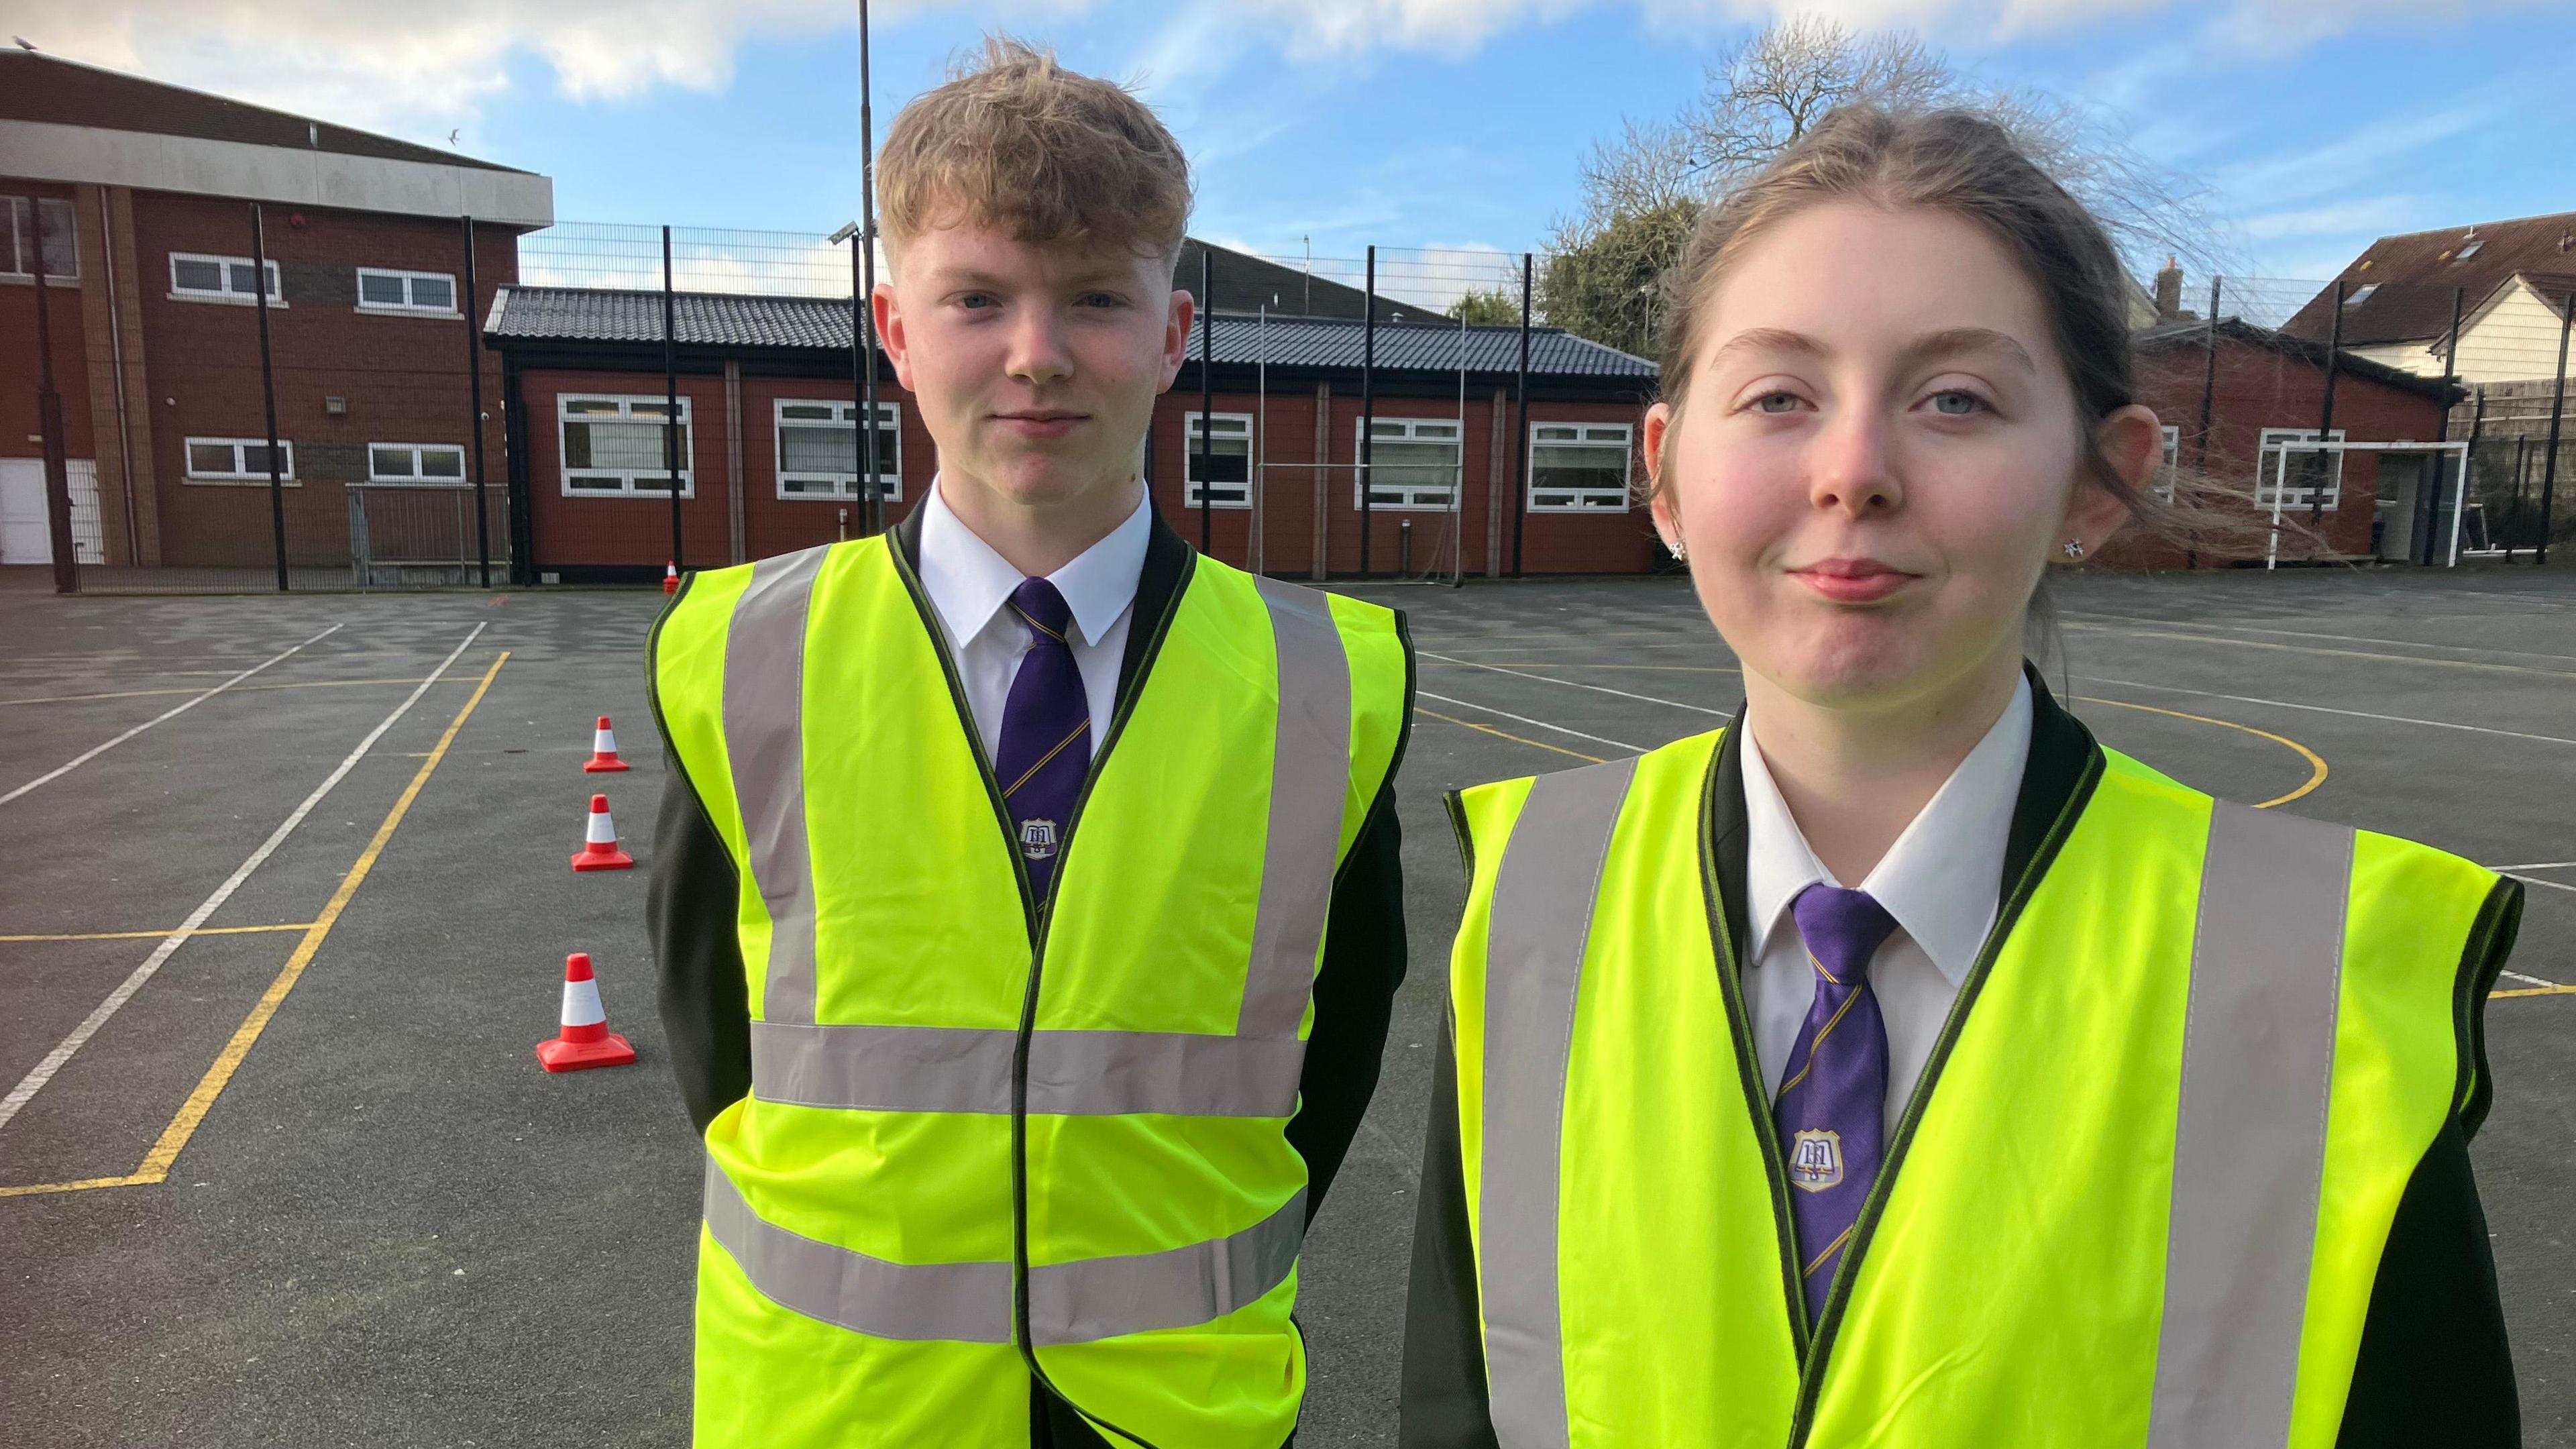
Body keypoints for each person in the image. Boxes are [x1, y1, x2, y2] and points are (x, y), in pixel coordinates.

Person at [1401, 105, 2520, 1448]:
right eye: (1778, 397)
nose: (1854, 472)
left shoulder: (2318, 985)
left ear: (2098, 485)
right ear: (1666, 478)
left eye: (1956, 401)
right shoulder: (1536, 901)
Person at [648, 38, 1413, 1449]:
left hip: (1182, 1404)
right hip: (840, 1408)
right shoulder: (749, 654)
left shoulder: (1323, 680)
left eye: (1096, 301)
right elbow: (715, 1030)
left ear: (1177, 333)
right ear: (892, 326)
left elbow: (1342, 1043)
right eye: (978, 298)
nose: (1037, 354)